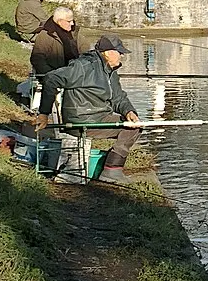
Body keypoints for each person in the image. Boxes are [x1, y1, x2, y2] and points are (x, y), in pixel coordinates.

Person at [38, 34, 144, 184]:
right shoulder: (83, 66)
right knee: (131, 130)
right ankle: (111, 171)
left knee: (135, 126)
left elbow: (118, 98)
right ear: (107, 52)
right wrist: (44, 113)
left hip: (99, 117)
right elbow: (50, 79)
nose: (122, 55)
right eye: (119, 52)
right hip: (81, 119)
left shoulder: (110, 72)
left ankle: (110, 168)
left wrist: (129, 112)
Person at [31, 6, 81, 78]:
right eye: (69, 21)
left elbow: (85, 52)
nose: (72, 23)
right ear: (60, 21)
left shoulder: (74, 33)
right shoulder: (45, 35)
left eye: (72, 20)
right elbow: (37, 59)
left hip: (74, 74)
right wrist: (52, 75)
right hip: (53, 76)